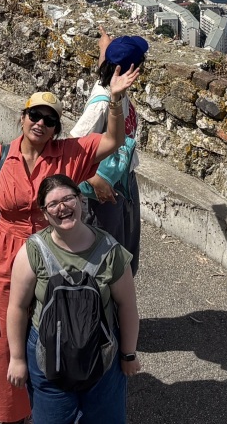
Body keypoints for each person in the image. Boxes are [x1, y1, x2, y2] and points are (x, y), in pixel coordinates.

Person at [0, 68, 137, 424]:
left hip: (54, 253)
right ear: (22, 118)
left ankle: (44, 404)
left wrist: (115, 100)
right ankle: (0, 412)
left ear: (56, 128)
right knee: (1, 338)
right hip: (5, 254)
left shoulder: (69, 153)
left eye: (50, 120)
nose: (40, 123)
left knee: (52, 329)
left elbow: (113, 141)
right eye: (35, 115)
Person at [6, 174, 141, 424]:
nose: (62, 207)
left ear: (80, 199)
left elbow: (127, 306)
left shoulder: (110, 250)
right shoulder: (33, 251)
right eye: (53, 204)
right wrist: (16, 359)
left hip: (101, 352)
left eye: (68, 198)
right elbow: (17, 307)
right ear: (44, 213)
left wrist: (128, 354)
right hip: (48, 354)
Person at [70, 32, 147, 273]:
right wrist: (95, 180)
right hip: (103, 189)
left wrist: (105, 46)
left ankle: (121, 293)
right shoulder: (103, 103)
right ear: (129, 70)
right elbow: (73, 146)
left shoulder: (111, 82)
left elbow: (106, 65)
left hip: (122, 178)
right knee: (104, 258)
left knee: (125, 249)